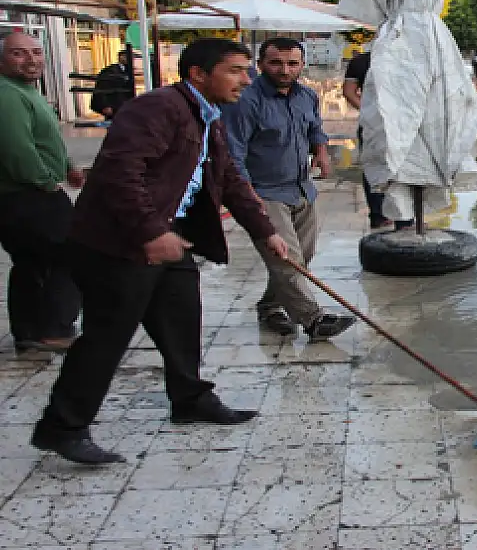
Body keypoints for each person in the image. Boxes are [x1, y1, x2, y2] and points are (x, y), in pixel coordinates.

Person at [31, 38, 290, 465]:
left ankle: (190, 399)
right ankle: (62, 427)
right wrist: (151, 232)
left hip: (167, 240)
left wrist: (265, 233)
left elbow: (229, 180)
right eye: (236, 70)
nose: (247, 79)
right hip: (117, 245)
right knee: (107, 337)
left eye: (247, 70)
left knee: (182, 316)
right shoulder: (157, 108)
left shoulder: (209, 117)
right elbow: (119, 173)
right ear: (198, 74)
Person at [224, 37, 356, 339]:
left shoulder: (307, 96)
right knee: (288, 259)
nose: (285, 70)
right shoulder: (245, 101)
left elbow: (315, 129)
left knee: (300, 258)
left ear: (301, 65)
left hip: (300, 188)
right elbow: (233, 154)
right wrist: (248, 197)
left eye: (292, 63)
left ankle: (270, 306)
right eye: (276, 63)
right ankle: (314, 320)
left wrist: (321, 153)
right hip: (264, 192)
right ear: (261, 65)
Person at [0, 32, 85, 353]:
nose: (32, 60)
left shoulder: (26, 92)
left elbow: (44, 137)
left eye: (36, 52)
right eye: (19, 54)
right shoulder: (7, 95)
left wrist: (68, 166)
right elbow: (15, 148)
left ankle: (30, 330)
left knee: (32, 262)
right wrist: (46, 181)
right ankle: (53, 328)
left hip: (30, 192)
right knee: (72, 253)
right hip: (27, 195)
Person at [342, 47, 414, 231]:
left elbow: (349, 92)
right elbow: (349, 91)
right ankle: (400, 218)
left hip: (378, 123)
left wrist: (369, 112)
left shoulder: (362, 61)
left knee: (374, 166)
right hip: (395, 123)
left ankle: (381, 215)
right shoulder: (404, 59)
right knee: (399, 167)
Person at [90, 50, 134, 120]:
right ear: (121, 57)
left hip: (126, 106)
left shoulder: (130, 70)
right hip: (114, 105)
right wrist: (105, 105)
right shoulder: (110, 70)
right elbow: (102, 87)